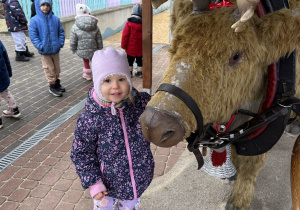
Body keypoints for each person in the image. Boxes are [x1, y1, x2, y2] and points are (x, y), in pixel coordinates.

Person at [71, 47, 154, 210]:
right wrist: (94, 183)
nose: (115, 86)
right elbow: (81, 153)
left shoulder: (140, 105)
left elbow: (162, 113)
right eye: (107, 81)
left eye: (121, 79)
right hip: (106, 191)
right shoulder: (90, 118)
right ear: (97, 83)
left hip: (137, 184)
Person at [29, 0, 65, 97]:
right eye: (43, 5)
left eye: (48, 5)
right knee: (49, 69)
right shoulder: (34, 20)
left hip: (55, 49)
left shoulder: (55, 19)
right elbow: (33, 36)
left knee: (57, 68)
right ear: (38, 6)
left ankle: (57, 82)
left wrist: (60, 43)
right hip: (45, 51)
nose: (46, 7)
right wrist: (40, 46)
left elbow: (61, 32)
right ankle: (52, 86)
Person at [70, 3, 103, 81]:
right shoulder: (95, 25)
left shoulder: (75, 26)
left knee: (86, 61)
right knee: (94, 61)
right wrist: (100, 47)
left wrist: (72, 49)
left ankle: (88, 75)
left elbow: (73, 39)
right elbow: (99, 37)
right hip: (94, 48)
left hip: (82, 49)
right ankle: (97, 74)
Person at [0, 40, 21, 129]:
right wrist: (9, 71)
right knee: (5, 92)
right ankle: (14, 109)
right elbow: (5, 56)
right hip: (2, 74)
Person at [121, 3, 143, 78]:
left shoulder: (129, 23)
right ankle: (139, 72)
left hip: (131, 47)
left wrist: (123, 45)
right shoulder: (143, 24)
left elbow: (125, 35)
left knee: (130, 60)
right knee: (139, 60)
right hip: (140, 47)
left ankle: (130, 72)